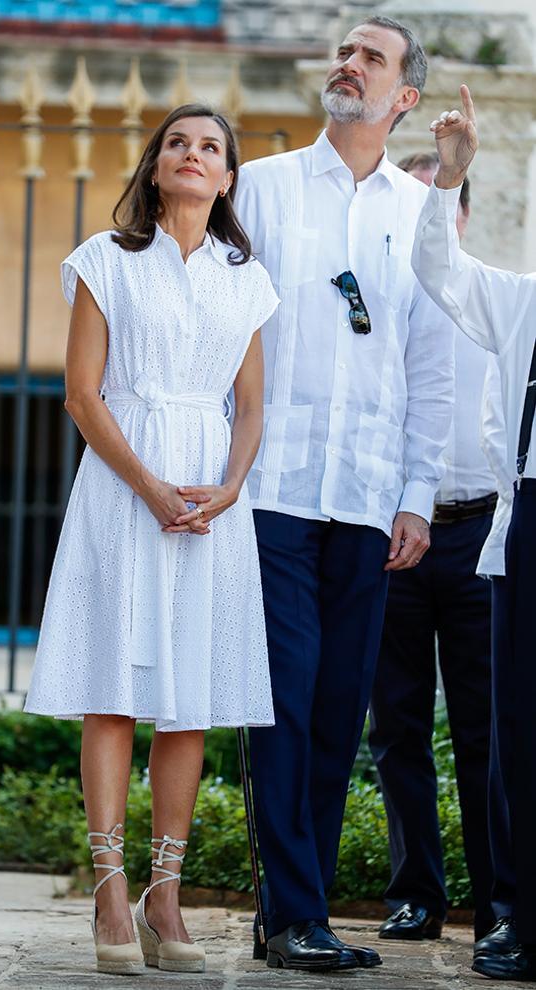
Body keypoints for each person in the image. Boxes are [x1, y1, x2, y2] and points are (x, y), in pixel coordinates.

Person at [24, 103, 279, 976]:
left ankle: (164, 893)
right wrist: (150, 488)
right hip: (124, 487)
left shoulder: (248, 277)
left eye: (210, 146)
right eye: (178, 142)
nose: (193, 154)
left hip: (213, 498)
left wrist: (231, 485)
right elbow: (83, 396)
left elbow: (249, 405)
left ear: (229, 176)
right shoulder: (105, 261)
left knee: (194, 691)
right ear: (156, 162)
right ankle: (108, 885)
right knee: (115, 684)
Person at [234, 15, 454, 973]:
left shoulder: (423, 213)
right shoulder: (268, 187)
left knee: (336, 706)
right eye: (345, 50)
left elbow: (434, 366)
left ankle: (299, 908)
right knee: (280, 699)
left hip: (366, 500)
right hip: (273, 488)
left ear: (402, 99)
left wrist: (416, 495)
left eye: (372, 57)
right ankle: (292, 914)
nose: (348, 64)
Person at [412, 83, 536, 983]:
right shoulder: (522, 298)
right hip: (527, 520)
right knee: (518, 734)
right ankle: (516, 917)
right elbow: (439, 273)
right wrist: (448, 176)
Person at [370, 153, 498, 944]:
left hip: (483, 537)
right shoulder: (375, 307)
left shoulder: (499, 302)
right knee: (398, 729)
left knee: (491, 731)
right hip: (395, 541)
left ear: (460, 216)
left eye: (435, 204)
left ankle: (500, 904)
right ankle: (416, 894)